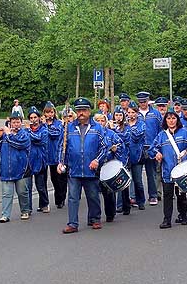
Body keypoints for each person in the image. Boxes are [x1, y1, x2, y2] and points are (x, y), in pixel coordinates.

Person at [58, 98, 107, 233]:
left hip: (90, 169)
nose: (81, 113)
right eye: (79, 110)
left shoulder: (97, 128)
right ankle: (72, 223)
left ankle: (95, 219)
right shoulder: (69, 128)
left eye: (84, 110)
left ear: (89, 111)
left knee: (93, 196)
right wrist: (60, 162)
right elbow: (62, 147)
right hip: (74, 169)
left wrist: (97, 160)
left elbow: (104, 147)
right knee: (73, 197)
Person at [148, 111, 187, 229]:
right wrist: (157, 154)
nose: (171, 121)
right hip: (167, 170)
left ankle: (183, 215)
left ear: (177, 119)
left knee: (181, 193)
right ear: (165, 121)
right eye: (168, 119)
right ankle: (167, 220)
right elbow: (152, 149)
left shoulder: (184, 133)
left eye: (173, 118)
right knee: (168, 195)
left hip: (181, 170)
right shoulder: (162, 135)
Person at [0, 116, 31, 223]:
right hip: (6, 170)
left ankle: (25, 211)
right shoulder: (5, 136)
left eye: (17, 122)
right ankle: (5, 215)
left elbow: (19, 144)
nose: (15, 124)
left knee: (22, 192)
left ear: (21, 123)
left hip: (21, 170)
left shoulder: (25, 135)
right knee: (7, 194)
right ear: (9, 123)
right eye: (13, 122)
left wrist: (8, 134)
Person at [94, 113, 127, 223]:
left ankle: (110, 213)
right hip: (94, 167)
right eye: (97, 121)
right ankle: (93, 216)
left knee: (108, 192)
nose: (100, 123)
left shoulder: (111, 134)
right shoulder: (91, 134)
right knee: (93, 193)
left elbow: (121, 146)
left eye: (102, 121)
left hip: (108, 165)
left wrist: (115, 149)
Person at [137, 91, 162, 205]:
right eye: (141, 101)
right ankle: (137, 198)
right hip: (137, 147)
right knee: (136, 174)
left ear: (148, 101)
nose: (143, 103)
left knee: (151, 172)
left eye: (144, 101)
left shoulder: (156, 113)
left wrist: (158, 146)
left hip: (151, 146)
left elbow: (161, 130)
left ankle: (153, 195)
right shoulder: (134, 113)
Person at [24, 106, 49, 218]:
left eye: (35, 117)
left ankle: (44, 204)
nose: (33, 119)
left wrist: (29, 131)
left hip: (40, 160)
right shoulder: (25, 130)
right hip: (28, 161)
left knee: (40, 185)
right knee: (27, 187)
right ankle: (27, 208)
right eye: (31, 117)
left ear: (39, 118)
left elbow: (39, 139)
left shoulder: (44, 129)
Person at [44, 101, 67, 209]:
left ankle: (60, 199)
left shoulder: (58, 123)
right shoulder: (42, 123)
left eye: (51, 112)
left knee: (59, 178)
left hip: (56, 154)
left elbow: (56, 133)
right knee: (53, 179)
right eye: (47, 113)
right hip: (46, 155)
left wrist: (46, 126)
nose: (49, 115)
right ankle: (54, 199)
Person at [126, 101, 147, 210]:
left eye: (133, 112)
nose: (131, 115)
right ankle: (124, 203)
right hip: (126, 155)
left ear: (137, 113)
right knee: (124, 180)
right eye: (129, 112)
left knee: (137, 180)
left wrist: (129, 128)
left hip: (138, 155)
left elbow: (137, 136)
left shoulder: (141, 124)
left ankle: (141, 200)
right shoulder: (124, 124)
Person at [112, 107, 132, 215]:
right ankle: (117, 205)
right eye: (116, 115)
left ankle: (125, 206)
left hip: (124, 157)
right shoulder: (111, 127)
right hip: (113, 157)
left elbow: (125, 138)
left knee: (123, 182)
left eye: (120, 115)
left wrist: (114, 130)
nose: (118, 117)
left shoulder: (127, 127)